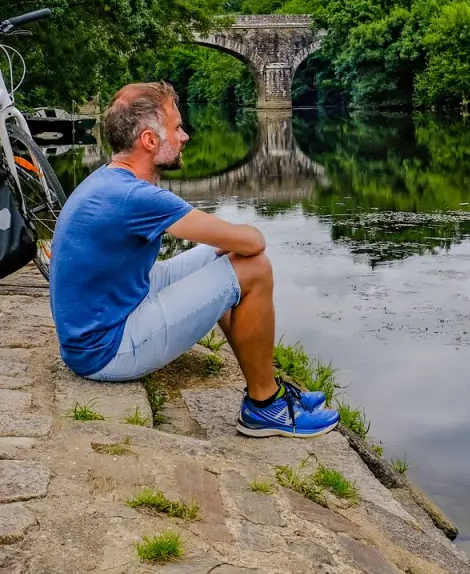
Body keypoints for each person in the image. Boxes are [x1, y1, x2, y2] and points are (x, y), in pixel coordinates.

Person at [49, 82, 338, 438]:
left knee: (224, 258)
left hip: (106, 318)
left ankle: (266, 384)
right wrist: (239, 247)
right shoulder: (136, 197)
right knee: (253, 266)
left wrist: (230, 252)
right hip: (106, 350)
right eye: (177, 128)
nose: (184, 136)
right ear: (149, 141)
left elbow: (231, 243)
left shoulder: (109, 180)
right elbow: (253, 240)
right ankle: (266, 406)